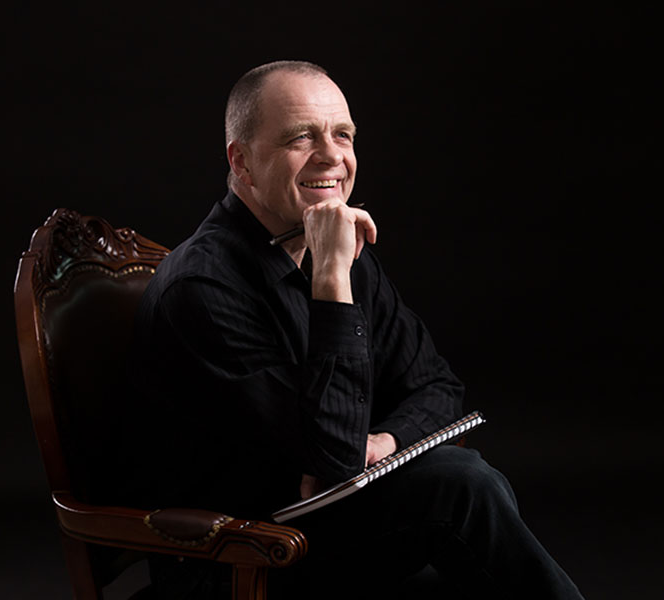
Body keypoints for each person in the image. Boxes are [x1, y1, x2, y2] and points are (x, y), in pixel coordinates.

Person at [132, 60, 584, 599]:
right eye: (301, 137)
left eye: (342, 135)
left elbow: (438, 388)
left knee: (465, 498)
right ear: (242, 162)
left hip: (321, 527)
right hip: (240, 558)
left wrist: (384, 441)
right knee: (461, 487)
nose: (332, 156)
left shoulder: (340, 250)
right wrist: (330, 275)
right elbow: (332, 459)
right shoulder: (202, 288)